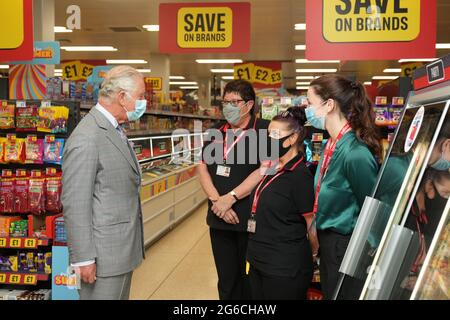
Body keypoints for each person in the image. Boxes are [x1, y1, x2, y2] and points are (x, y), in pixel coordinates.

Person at [62, 66, 146, 300]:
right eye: (140, 96)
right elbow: (75, 202)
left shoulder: (114, 129)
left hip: (118, 251)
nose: (143, 102)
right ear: (122, 97)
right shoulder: (88, 137)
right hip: (102, 257)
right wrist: (83, 258)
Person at [305, 74, 381, 300]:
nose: (306, 109)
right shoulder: (331, 143)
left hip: (346, 246)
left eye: (310, 102)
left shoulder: (354, 153)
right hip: (330, 243)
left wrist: (370, 250)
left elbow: (372, 206)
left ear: (329, 105)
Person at [197, 79, 270, 300]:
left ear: (248, 105)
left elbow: (266, 169)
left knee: (250, 280)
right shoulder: (215, 132)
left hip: (250, 219)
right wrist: (217, 201)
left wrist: (231, 197)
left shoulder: (265, 130)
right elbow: (202, 169)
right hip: (219, 218)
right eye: (225, 102)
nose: (228, 106)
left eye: (234, 102)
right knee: (226, 280)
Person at [246, 107, 316, 300]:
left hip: (284, 268)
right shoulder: (272, 166)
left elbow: (311, 223)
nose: (269, 139)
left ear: (292, 139)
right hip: (258, 261)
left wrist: (314, 252)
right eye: (268, 134)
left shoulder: (300, 176)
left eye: (275, 135)